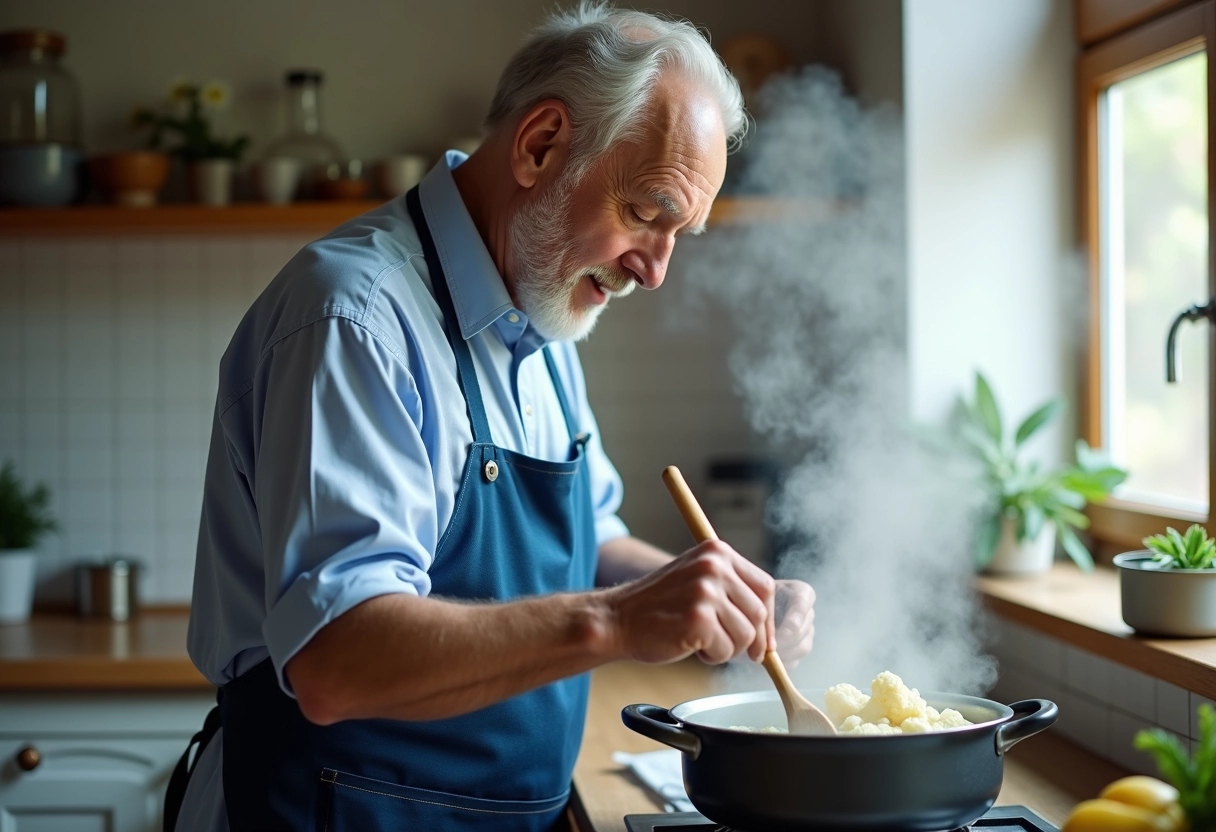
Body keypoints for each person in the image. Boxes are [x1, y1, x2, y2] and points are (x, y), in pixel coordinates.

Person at [167, 4, 816, 831]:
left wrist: (723, 600)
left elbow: (589, 539)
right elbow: (336, 660)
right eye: (647, 213)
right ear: (541, 145)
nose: (656, 270)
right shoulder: (355, 320)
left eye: (679, 232)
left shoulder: (543, 312)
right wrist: (619, 620)